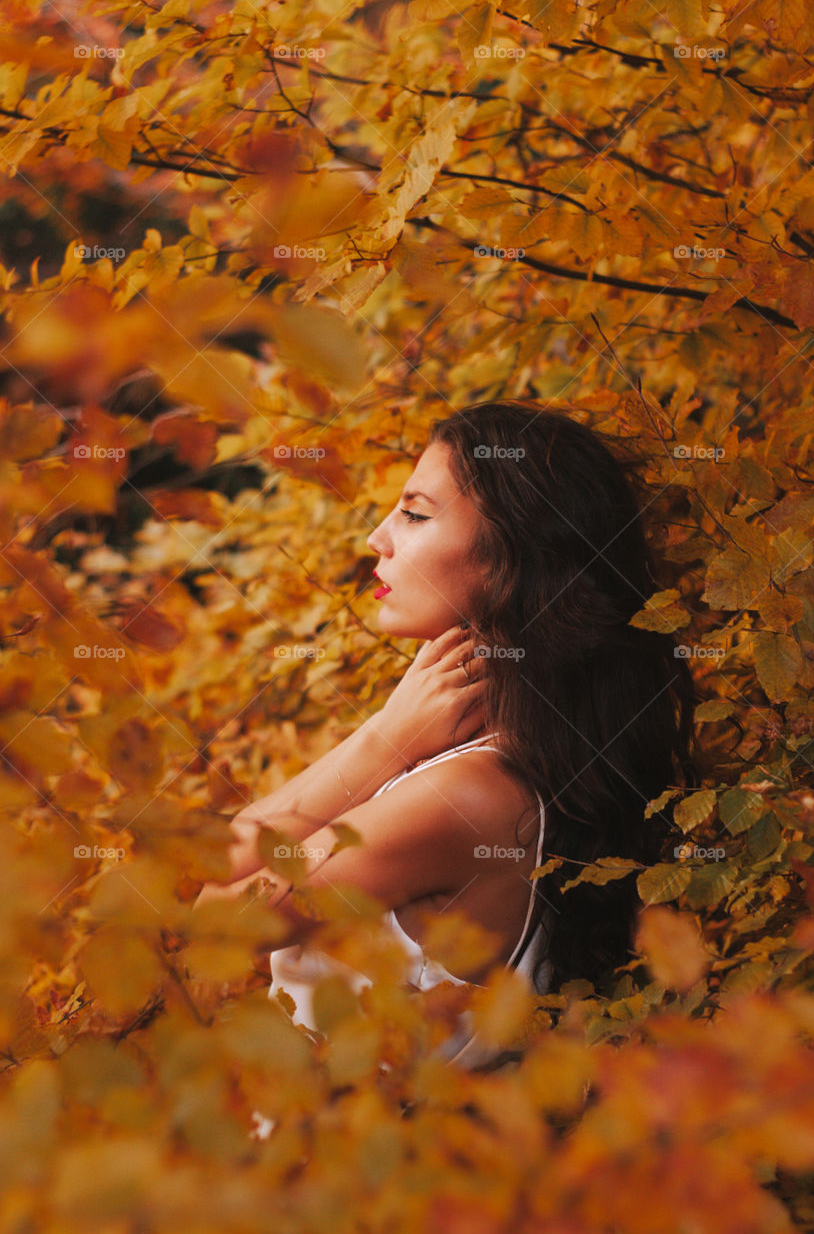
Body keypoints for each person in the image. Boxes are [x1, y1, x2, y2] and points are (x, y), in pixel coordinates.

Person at [195, 399, 697, 1078]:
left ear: (510, 555)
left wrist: (384, 742)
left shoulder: (464, 796)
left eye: (414, 514)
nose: (378, 538)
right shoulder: (504, 758)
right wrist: (391, 736)